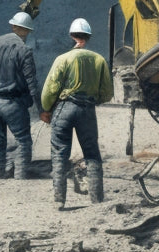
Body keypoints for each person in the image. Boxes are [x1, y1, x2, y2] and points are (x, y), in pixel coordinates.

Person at [41, 18, 113, 208]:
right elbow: (107, 93)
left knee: (59, 153)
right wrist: (93, 100)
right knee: (92, 153)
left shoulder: (62, 59)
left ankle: (59, 200)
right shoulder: (99, 60)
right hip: (87, 110)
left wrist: (47, 109)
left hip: (64, 108)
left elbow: (50, 90)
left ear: (72, 36)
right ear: (88, 37)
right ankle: (97, 199)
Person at [0, 12, 47, 179]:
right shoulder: (24, 50)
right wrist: (41, 109)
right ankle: (20, 179)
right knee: (23, 141)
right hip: (13, 104)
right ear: (27, 31)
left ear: (12, 26)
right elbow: (32, 83)